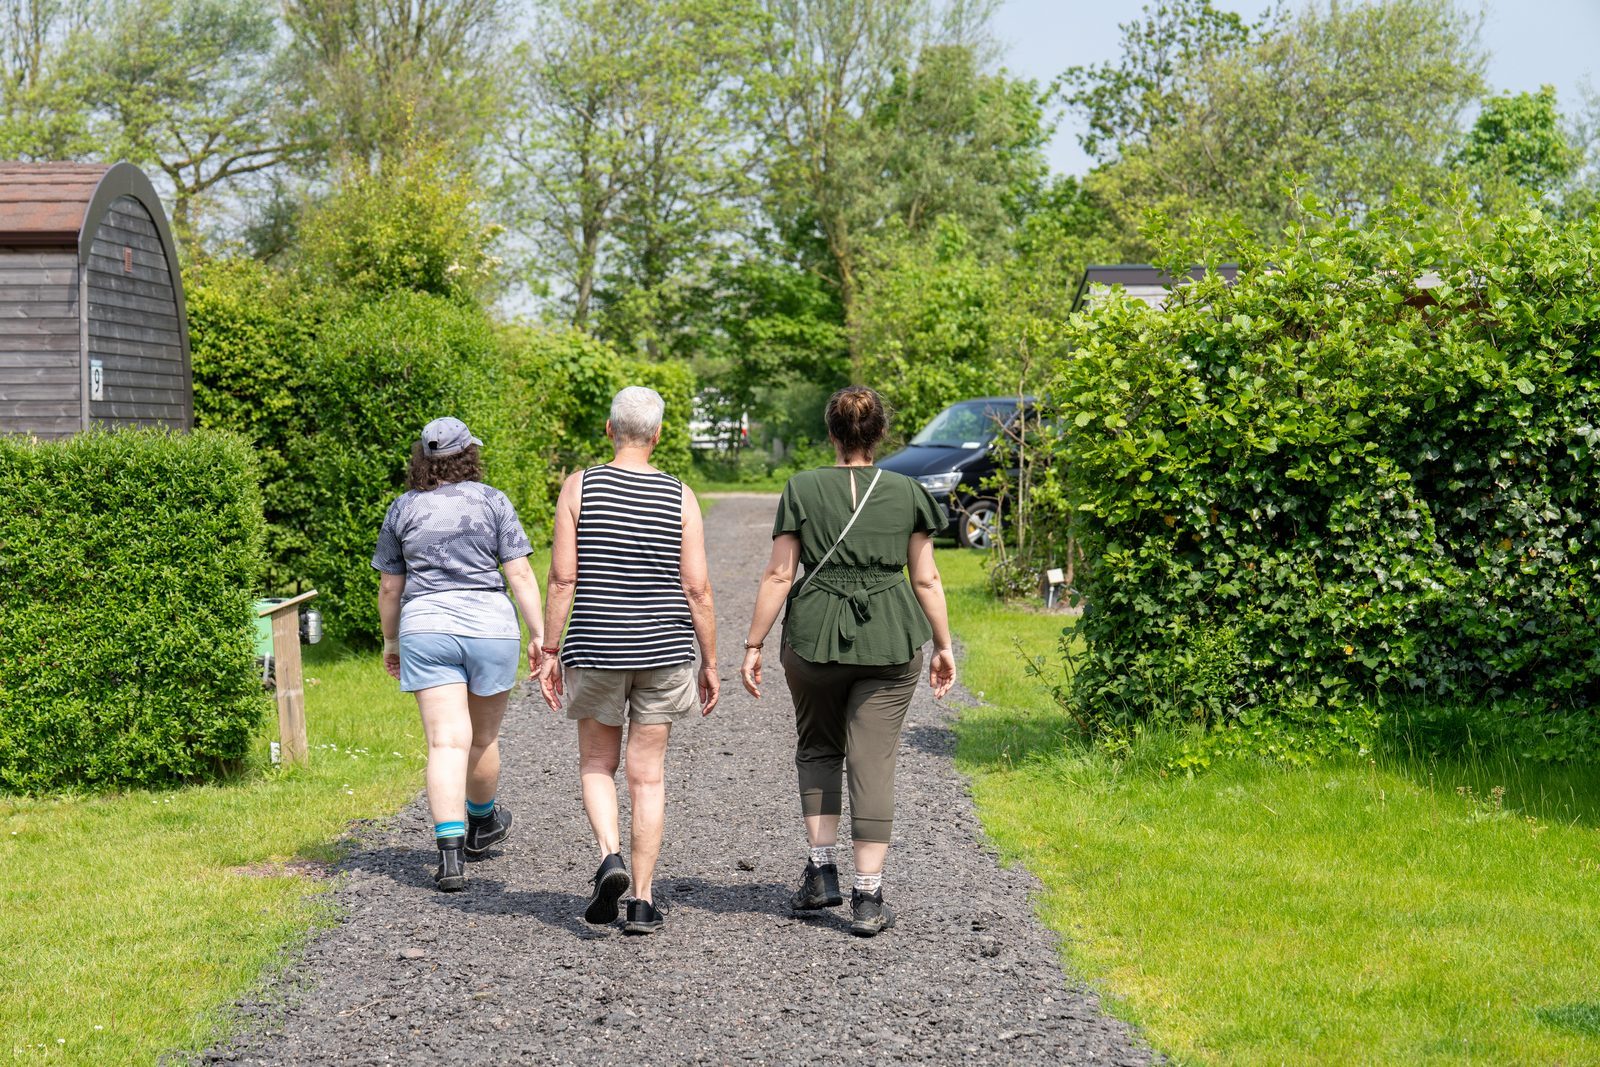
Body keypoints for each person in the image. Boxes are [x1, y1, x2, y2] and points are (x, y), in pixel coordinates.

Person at [740, 386, 956, 937]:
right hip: (890, 637)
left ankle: (821, 873)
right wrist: (943, 645)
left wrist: (754, 644)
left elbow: (779, 575)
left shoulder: (802, 487)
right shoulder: (907, 492)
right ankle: (868, 896)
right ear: (879, 433)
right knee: (873, 759)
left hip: (812, 637)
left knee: (818, 745)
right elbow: (925, 577)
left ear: (832, 434)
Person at [538, 386, 719, 935]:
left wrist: (549, 650)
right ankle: (641, 900)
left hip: (595, 645)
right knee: (648, 778)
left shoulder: (580, 486)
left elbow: (563, 578)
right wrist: (710, 660)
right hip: (663, 650)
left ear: (610, 430)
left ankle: (610, 855)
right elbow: (698, 589)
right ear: (658, 435)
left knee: (597, 764)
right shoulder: (680, 495)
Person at [374, 417, 544, 892]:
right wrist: (540, 634)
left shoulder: (403, 508)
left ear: (423, 458)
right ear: (468, 454)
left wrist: (391, 642)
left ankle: (450, 860)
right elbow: (521, 575)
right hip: (490, 628)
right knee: (482, 740)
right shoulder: (492, 501)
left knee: (445, 743)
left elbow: (391, 586)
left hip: (426, 629)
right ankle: (482, 823)